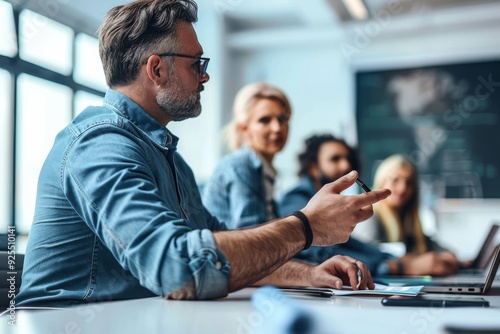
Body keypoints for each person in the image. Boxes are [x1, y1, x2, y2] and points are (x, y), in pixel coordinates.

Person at [15, 0, 390, 307]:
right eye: (197, 64)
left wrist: (308, 273)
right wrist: (306, 227)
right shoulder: (98, 145)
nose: (205, 76)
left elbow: (221, 247)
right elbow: (176, 267)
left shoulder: (167, 158)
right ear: (156, 69)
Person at [279, 134, 461, 277]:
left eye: (348, 158)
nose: (346, 164)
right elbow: (319, 252)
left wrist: (395, 260)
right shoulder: (296, 199)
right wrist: (396, 266)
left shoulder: (330, 206)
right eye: (335, 159)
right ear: (313, 167)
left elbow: (357, 246)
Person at [202, 82, 290, 229]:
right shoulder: (241, 165)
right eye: (265, 120)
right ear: (244, 129)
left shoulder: (264, 170)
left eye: (282, 119)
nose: (277, 128)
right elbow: (253, 236)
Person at [356, 154, 461, 275]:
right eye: (395, 180)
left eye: (409, 182)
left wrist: (450, 256)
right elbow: (365, 262)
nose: (403, 188)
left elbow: (430, 244)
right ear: (381, 182)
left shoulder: (407, 221)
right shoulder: (369, 216)